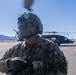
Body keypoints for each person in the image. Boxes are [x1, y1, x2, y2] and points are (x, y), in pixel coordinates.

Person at [0, 12, 68, 75]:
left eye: (26, 25)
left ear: (36, 27)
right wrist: (8, 63)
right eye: (19, 25)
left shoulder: (50, 47)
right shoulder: (15, 49)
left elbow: (62, 69)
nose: (21, 28)